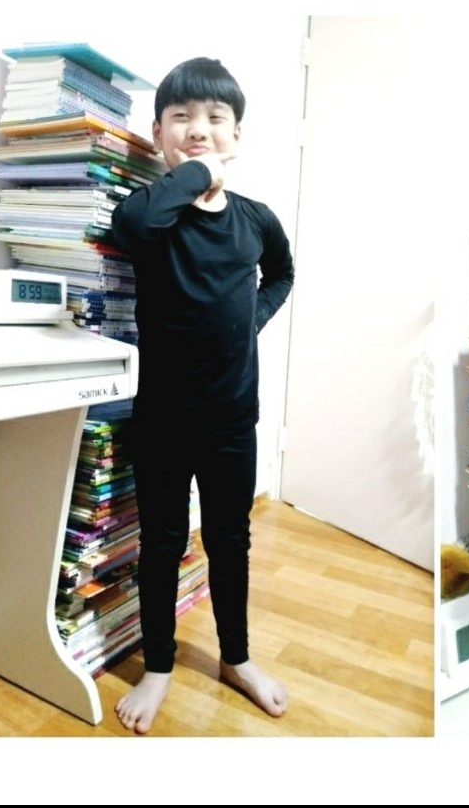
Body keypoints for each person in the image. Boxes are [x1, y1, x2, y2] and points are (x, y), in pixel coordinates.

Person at [110, 57, 294, 734]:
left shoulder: (255, 220)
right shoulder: (151, 214)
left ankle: (236, 657)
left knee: (229, 539)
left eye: (215, 119)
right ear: (158, 133)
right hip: (161, 419)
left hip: (231, 420)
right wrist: (199, 172)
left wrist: (251, 317)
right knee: (161, 544)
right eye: (181, 118)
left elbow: (282, 272)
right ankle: (159, 664)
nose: (198, 129)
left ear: (237, 134)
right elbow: (132, 227)